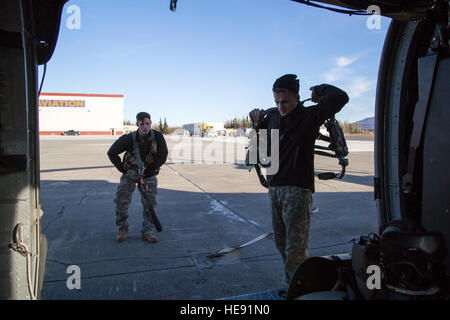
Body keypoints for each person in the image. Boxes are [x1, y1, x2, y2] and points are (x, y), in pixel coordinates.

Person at [249, 74, 349, 285]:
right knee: (281, 242)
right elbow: (259, 153)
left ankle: (299, 290)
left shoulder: (311, 115)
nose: (280, 106)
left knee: (295, 248)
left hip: (297, 190)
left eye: (285, 101)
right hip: (274, 188)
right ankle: (296, 284)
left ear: (297, 97)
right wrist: (257, 124)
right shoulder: (272, 118)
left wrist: (320, 90)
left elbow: (341, 97)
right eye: (276, 102)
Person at [107, 112, 168, 243]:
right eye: (142, 124)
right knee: (121, 201)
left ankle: (148, 231)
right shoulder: (129, 138)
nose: (145, 127)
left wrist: (150, 169)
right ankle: (122, 229)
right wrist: (123, 169)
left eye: (147, 123)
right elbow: (111, 152)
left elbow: (163, 155)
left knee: (150, 204)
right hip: (130, 174)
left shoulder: (157, 136)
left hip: (148, 176)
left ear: (151, 123)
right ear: (137, 124)